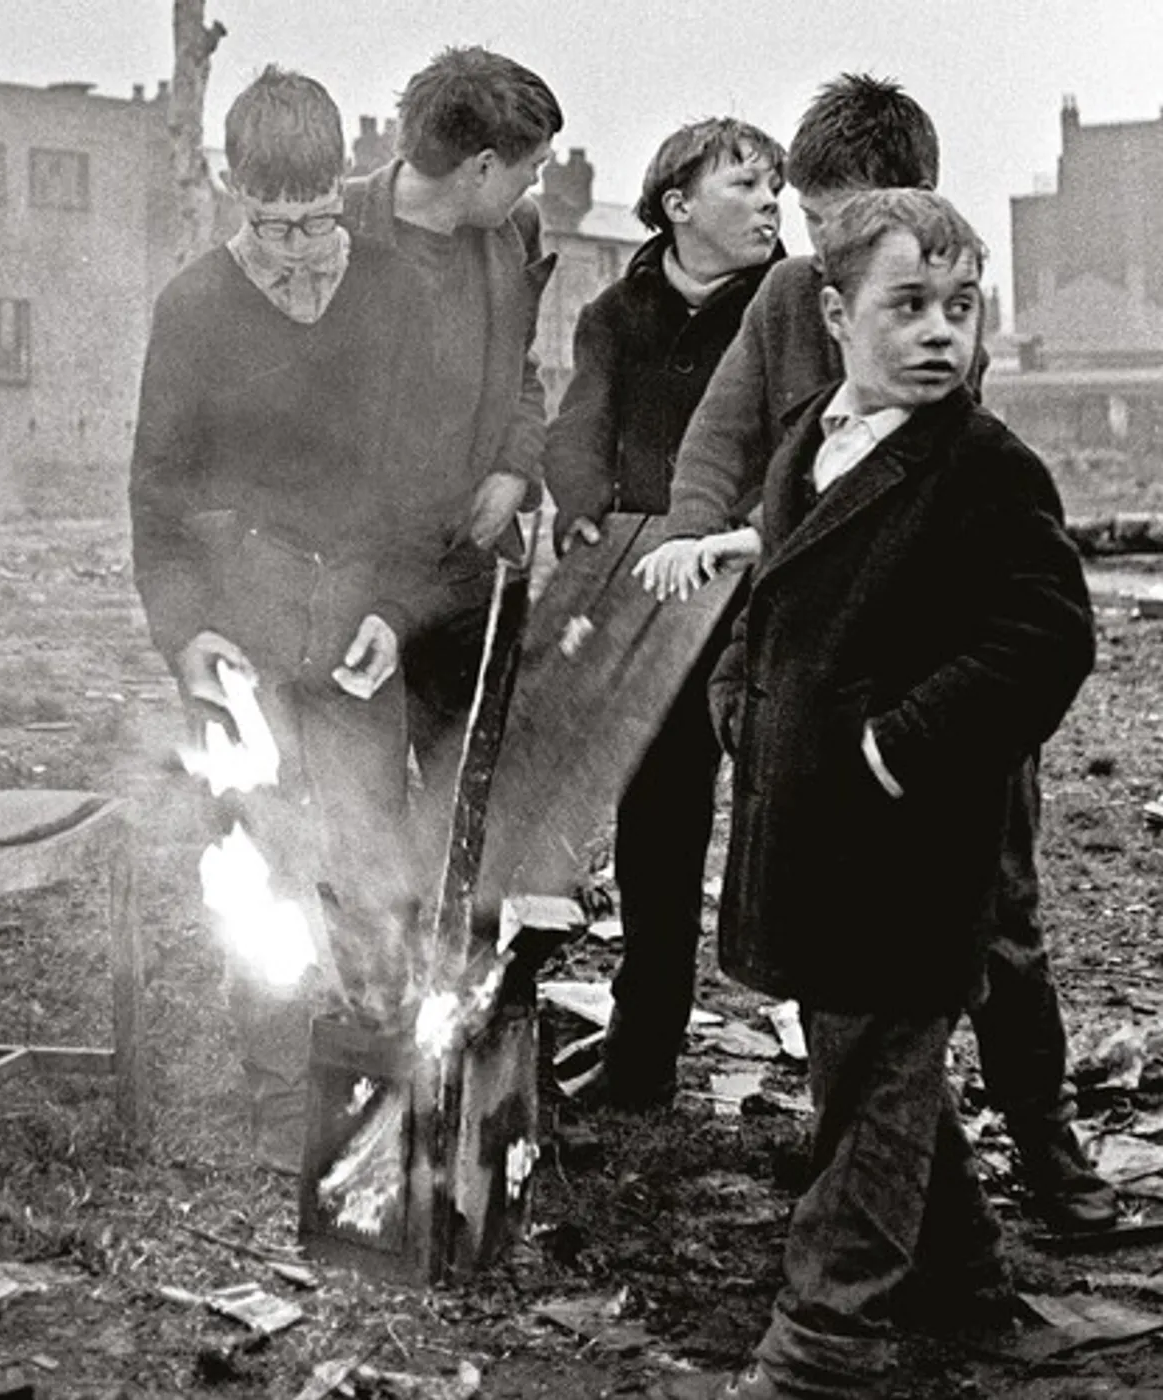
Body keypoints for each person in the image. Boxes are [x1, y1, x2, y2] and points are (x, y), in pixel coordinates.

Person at [634, 74, 1116, 1233]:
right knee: (837, 937)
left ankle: (1044, 1151)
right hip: (823, 693)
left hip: (938, 709)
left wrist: (910, 731)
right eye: (812, 224)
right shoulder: (794, 295)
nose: (825, 246)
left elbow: (959, 539)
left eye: (850, 218)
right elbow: (723, 438)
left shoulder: (927, 319)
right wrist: (705, 552)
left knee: (994, 924)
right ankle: (874, 1163)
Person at [129, 67, 429, 1172]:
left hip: (358, 634)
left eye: (316, 222)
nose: (299, 250)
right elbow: (156, 499)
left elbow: (420, 490)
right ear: (227, 190)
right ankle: (269, 1097)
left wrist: (395, 609)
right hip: (240, 636)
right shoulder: (193, 308)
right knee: (253, 862)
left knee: (362, 855)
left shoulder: (394, 298)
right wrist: (186, 635)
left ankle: (366, 1087)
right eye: (271, 224)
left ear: (341, 192)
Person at [540, 117, 785, 1108]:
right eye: (746, 186)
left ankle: (844, 1066)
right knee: (657, 824)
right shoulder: (614, 314)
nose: (772, 202)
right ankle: (642, 1053)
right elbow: (576, 434)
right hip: (652, 601)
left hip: (765, 594)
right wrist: (583, 511)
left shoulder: (791, 305)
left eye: (775, 186)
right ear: (679, 206)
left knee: (791, 830)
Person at [343, 46, 562, 793]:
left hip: (469, 571)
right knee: (359, 815)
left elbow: (523, 373)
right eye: (531, 166)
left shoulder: (513, 230)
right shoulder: (328, 234)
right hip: (353, 579)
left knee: (467, 797)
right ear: (481, 166)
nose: (535, 183)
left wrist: (513, 465)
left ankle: (457, 919)